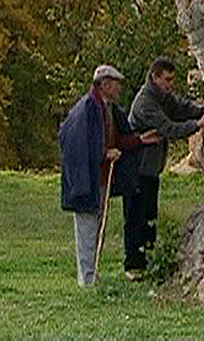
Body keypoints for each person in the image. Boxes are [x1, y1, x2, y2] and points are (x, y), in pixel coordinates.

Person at [59, 64, 160, 286]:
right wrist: (104, 153)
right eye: (116, 85)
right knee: (87, 230)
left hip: (102, 178)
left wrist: (140, 140)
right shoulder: (86, 110)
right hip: (86, 181)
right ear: (105, 85)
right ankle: (86, 280)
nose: (119, 89)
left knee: (96, 229)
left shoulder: (108, 109)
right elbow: (78, 144)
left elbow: (117, 139)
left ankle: (92, 274)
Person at [124, 57, 204, 280]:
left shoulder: (163, 97)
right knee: (135, 217)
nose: (171, 84)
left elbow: (181, 108)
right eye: (167, 80)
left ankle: (149, 259)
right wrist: (197, 125)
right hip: (138, 168)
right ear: (155, 77)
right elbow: (169, 128)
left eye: (172, 79)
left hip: (151, 168)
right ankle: (133, 265)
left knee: (150, 215)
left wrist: (203, 110)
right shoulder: (146, 102)